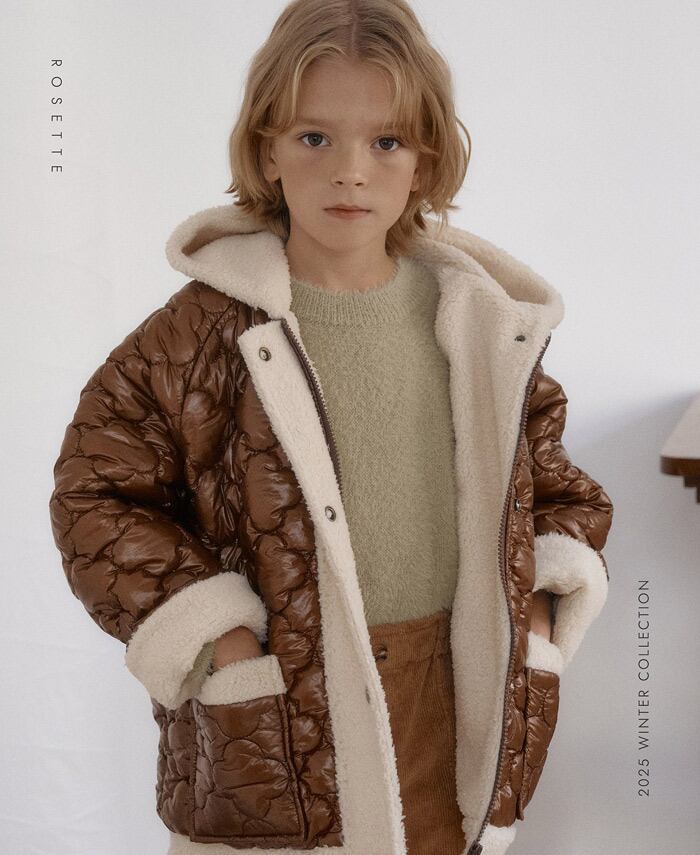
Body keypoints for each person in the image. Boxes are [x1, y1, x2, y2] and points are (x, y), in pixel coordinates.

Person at [48, 1, 614, 853]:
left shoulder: (484, 330)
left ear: (426, 160)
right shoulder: (203, 332)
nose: (351, 171)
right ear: (266, 150)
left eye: (386, 141)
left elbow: (558, 491)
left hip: (449, 707)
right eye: (314, 137)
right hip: (283, 715)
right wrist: (221, 640)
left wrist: (534, 619)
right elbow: (94, 492)